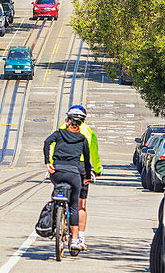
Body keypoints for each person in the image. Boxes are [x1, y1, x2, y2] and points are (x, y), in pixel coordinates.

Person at [44, 108, 93, 255]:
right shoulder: (83, 139)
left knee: (56, 195)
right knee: (73, 206)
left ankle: (53, 219)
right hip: (73, 174)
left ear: (68, 121)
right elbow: (87, 162)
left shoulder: (59, 134)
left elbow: (47, 142)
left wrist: (48, 162)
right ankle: (75, 240)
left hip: (57, 173)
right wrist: (87, 177)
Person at [64, 105, 101, 251]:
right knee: (81, 204)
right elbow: (94, 153)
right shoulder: (88, 131)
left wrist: (51, 164)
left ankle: (59, 215)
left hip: (63, 165)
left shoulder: (62, 128)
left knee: (62, 194)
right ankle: (80, 238)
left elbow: (53, 146)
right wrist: (97, 170)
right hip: (81, 168)